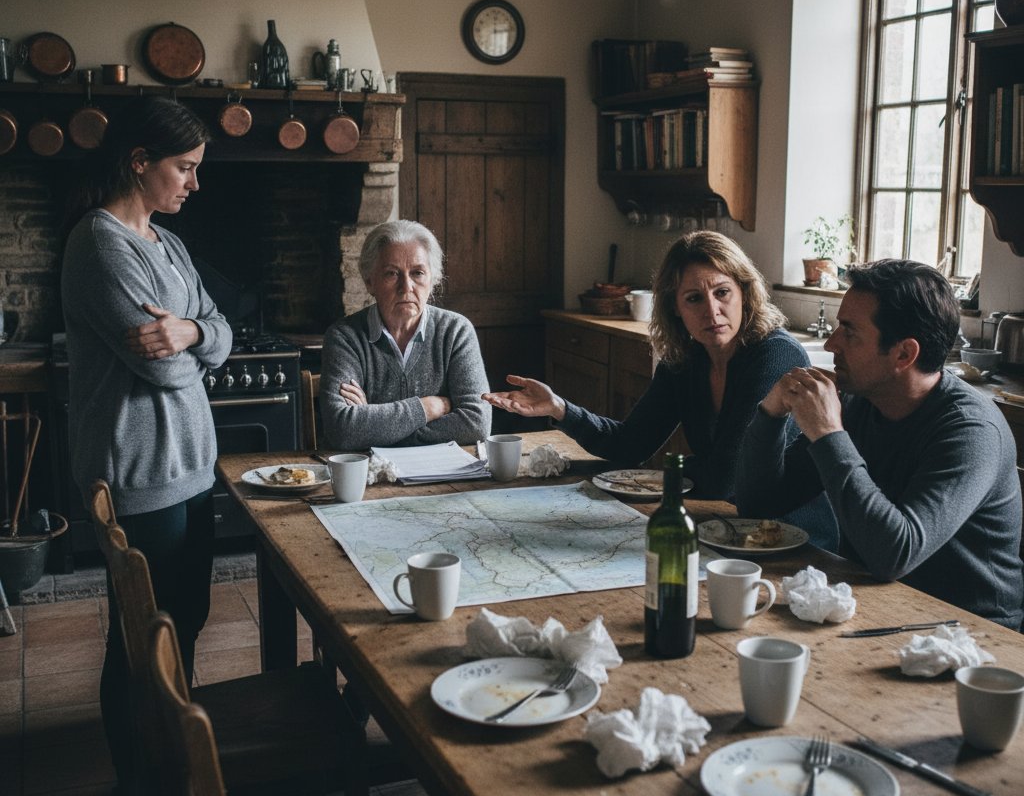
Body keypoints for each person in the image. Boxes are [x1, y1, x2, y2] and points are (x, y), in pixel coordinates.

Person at [61, 96, 231, 796]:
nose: (194, 183)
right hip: (139, 477)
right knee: (141, 636)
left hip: (193, 470)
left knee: (184, 621)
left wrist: (190, 329)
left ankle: (172, 755)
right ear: (139, 162)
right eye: (184, 168)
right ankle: (140, 788)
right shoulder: (99, 244)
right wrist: (200, 344)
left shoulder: (167, 244)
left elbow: (221, 333)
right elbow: (164, 373)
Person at [736, 259, 1023, 630]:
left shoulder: (971, 431)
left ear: (904, 354)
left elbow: (894, 554)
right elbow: (759, 504)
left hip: (970, 632)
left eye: (850, 332)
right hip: (876, 604)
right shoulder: (861, 404)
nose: (831, 343)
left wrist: (828, 434)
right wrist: (771, 415)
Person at [484, 230, 834, 525]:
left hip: (787, 532)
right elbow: (631, 444)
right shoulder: (686, 359)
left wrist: (657, 476)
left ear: (745, 292)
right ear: (675, 310)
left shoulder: (774, 354)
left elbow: (727, 477)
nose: (712, 310)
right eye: (694, 298)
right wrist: (559, 408)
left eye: (722, 292)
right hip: (722, 521)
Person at [320, 219, 491, 450]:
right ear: (370, 281)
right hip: (371, 479)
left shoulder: (456, 331)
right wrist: (429, 408)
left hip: (443, 476)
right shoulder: (344, 337)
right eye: (392, 273)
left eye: (418, 273)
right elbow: (343, 430)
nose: (406, 287)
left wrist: (373, 425)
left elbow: (476, 423)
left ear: (433, 280)